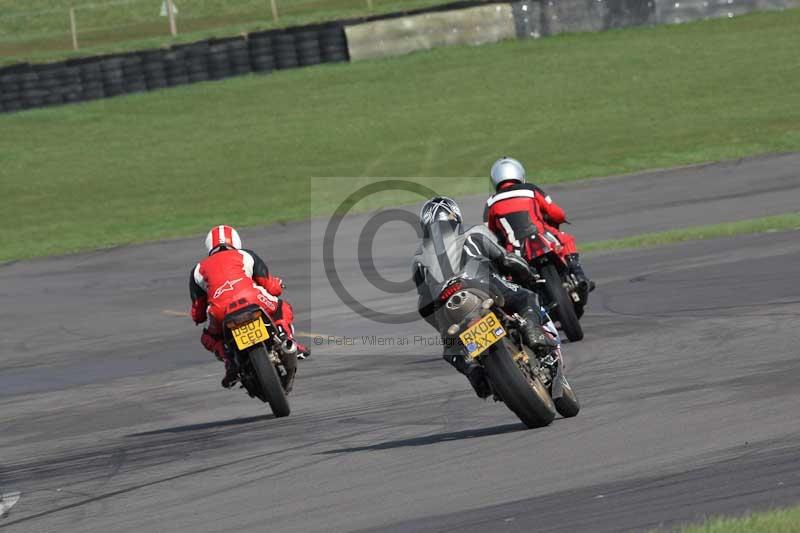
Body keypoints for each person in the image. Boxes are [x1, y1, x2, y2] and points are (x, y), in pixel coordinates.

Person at [412, 197, 558, 398]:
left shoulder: (418, 259)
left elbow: (424, 302)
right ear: (455, 216)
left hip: (445, 303)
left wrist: (442, 327)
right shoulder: (473, 233)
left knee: (451, 348)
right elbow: (507, 260)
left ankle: (473, 371)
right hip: (479, 284)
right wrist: (530, 275)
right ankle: (533, 331)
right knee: (527, 298)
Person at [189, 225, 309, 388]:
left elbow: (198, 314)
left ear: (209, 246)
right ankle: (286, 339)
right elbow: (272, 288)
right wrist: (279, 285)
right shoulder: (245, 255)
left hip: (220, 310)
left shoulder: (197, 270)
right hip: (252, 298)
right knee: (281, 307)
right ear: (236, 240)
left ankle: (229, 361)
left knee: (208, 337)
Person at [483, 157, 594, 292]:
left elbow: (489, 232)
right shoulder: (531, 189)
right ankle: (578, 275)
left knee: (506, 273)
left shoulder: (491, 203)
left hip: (514, 249)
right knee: (565, 239)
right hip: (541, 236)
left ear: (495, 179)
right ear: (520, 173)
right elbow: (555, 212)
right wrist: (561, 219)